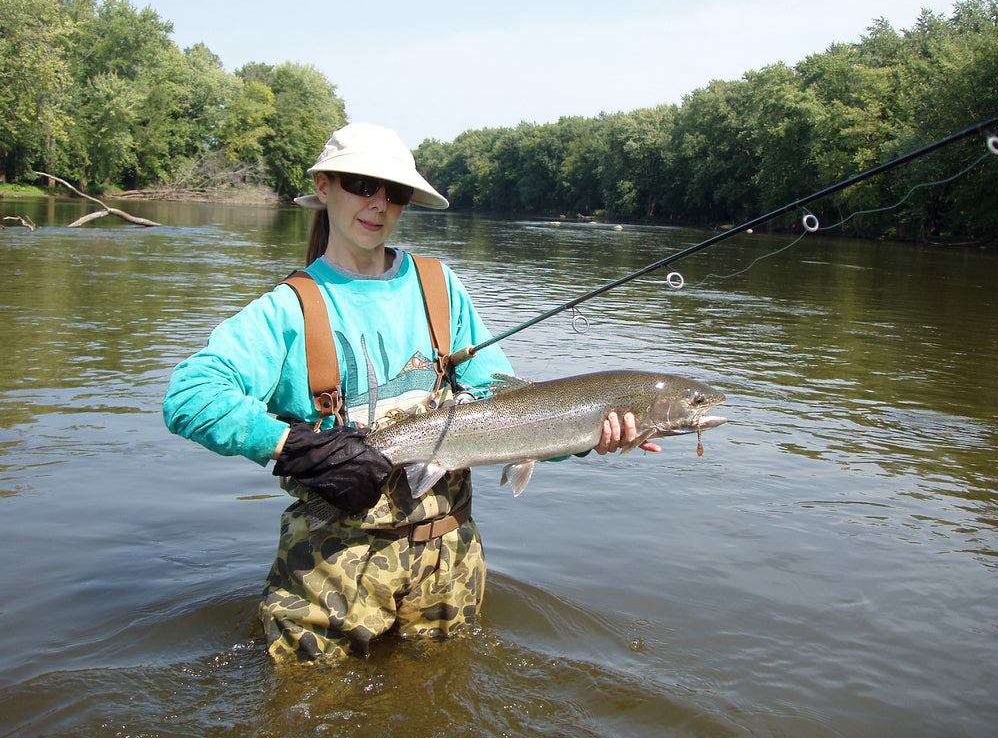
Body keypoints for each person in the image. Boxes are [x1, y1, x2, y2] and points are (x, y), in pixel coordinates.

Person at [163, 122, 657, 662]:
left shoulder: (439, 287)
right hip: (332, 568)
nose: (378, 204)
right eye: (360, 184)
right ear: (324, 188)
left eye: (394, 192)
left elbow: (511, 414)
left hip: (450, 564)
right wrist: (292, 447)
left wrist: (589, 434)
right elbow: (190, 396)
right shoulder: (288, 309)